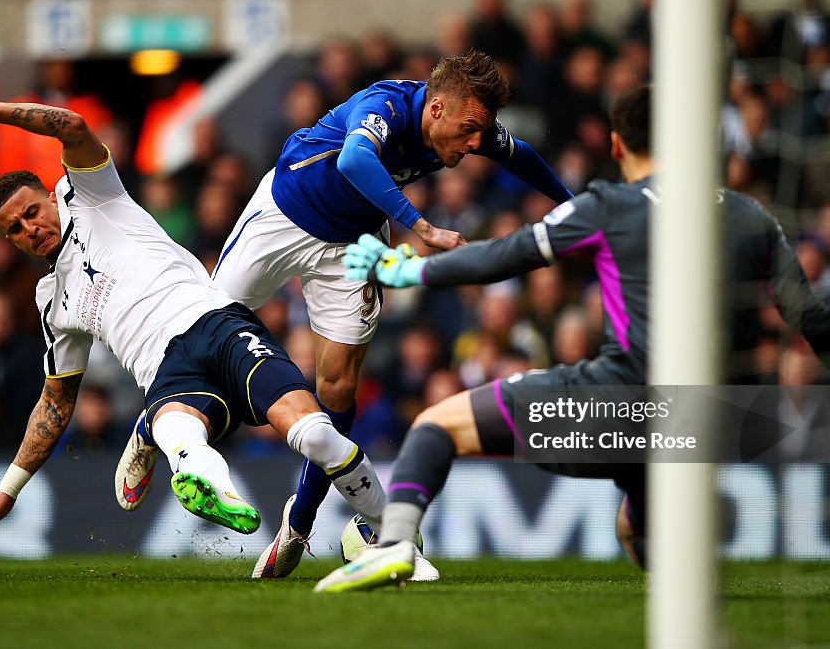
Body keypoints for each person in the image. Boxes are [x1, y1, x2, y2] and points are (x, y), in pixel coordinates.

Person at [314, 84, 830, 592]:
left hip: (624, 401)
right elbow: (814, 319)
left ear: (615, 144)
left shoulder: (610, 203)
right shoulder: (750, 216)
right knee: (635, 529)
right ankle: (685, 587)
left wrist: (409, 268)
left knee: (435, 427)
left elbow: (506, 256)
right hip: (719, 421)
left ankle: (392, 546)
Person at [0, 100, 434, 584]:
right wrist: (9, 489)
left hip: (216, 323)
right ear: (6, 241)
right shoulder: (51, 300)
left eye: (31, 212)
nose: (29, 228)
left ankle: (394, 538)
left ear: (49, 196)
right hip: (167, 373)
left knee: (317, 437)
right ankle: (208, 483)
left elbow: (72, 126)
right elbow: (56, 401)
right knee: (179, 435)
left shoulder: (89, 195)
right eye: (14, 229)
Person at [121, 49, 570, 580]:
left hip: (350, 247)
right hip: (285, 214)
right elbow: (355, 160)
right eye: (469, 129)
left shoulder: (469, 124)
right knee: (203, 334)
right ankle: (153, 424)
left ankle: (299, 519)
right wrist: (421, 228)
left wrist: (571, 205)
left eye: (481, 132)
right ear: (437, 108)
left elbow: (518, 154)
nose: (475, 144)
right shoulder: (385, 107)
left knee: (336, 389)